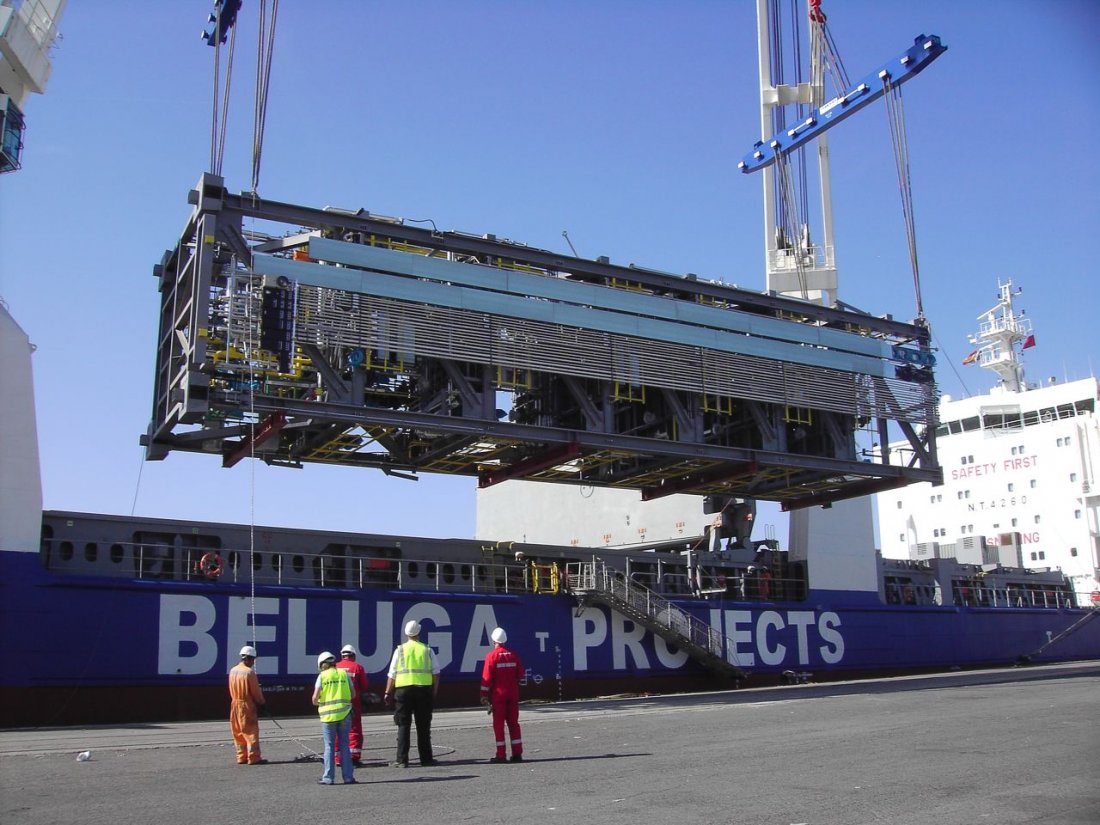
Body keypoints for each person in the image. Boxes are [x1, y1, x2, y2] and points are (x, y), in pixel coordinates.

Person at [383, 620, 440, 768]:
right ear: (418, 633)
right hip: (423, 690)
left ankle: (402, 760)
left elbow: (392, 674)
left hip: (403, 691)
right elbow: (436, 673)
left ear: (406, 634)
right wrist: (434, 692)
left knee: (403, 725)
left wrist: (387, 692)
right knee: (423, 726)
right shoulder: (427, 650)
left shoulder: (400, 650)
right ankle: (426, 759)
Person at [312, 651, 356, 785]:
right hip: (345, 714)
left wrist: (321, 702)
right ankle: (348, 777)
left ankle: (328, 777)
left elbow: (314, 698)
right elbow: (353, 694)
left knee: (329, 746)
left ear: (321, 664)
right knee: (345, 746)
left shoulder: (322, 676)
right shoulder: (344, 674)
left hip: (328, 717)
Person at [480, 626, 524, 763]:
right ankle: (517, 753)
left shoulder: (491, 656)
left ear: (494, 641)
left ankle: (501, 754)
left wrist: (483, 695)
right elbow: (520, 675)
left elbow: (486, 679)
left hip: (498, 696)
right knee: (514, 724)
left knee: (499, 726)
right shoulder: (514, 655)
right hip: (513, 695)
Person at [228, 645, 267, 765]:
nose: (253, 662)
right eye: (253, 660)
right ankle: (254, 757)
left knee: (238, 731)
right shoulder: (249, 673)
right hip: (246, 705)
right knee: (251, 731)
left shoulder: (233, 670)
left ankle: (241, 756)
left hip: (234, 704)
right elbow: (256, 691)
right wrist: (262, 702)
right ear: (250, 659)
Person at [335, 643, 370, 766]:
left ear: (342, 655)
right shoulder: (357, 667)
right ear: (353, 655)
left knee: (337, 730)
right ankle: (354, 757)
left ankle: (338, 758)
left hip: (337, 704)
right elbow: (364, 686)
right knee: (354, 730)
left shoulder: (335, 667)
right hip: (353, 703)